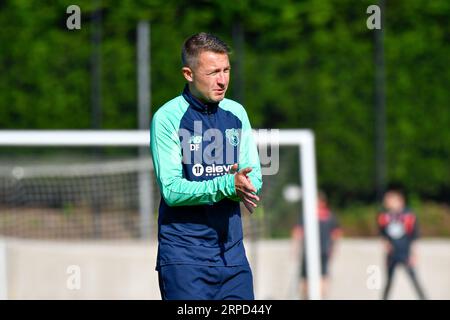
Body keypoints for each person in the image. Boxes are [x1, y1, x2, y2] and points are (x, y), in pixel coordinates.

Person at [150, 32, 262, 300]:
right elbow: (172, 190)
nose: (222, 80)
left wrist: (244, 185)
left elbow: (253, 177)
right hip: (184, 258)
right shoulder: (167, 118)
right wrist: (226, 184)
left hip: (232, 256)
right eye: (213, 72)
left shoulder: (237, 113)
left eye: (226, 70)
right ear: (188, 74)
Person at [291, 191, 342, 299]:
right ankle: (313, 296)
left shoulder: (323, 216)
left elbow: (336, 234)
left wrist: (333, 249)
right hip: (313, 252)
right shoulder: (326, 215)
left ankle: (314, 296)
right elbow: (298, 232)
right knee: (311, 279)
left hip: (320, 251)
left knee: (319, 278)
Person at [377, 189, 427, 300]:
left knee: (414, 279)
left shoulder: (409, 215)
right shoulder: (383, 216)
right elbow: (382, 233)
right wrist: (386, 244)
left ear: (399, 201)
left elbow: (414, 236)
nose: (387, 203)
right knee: (389, 281)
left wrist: (414, 254)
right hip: (392, 254)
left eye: (389, 200)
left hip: (405, 252)